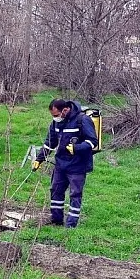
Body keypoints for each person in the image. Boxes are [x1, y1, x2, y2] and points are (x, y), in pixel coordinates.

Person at [32, 98, 98, 228]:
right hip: (61, 164)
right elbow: (49, 143)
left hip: (78, 165)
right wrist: (39, 159)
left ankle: (71, 225)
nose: (55, 118)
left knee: (75, 194)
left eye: (56, 115)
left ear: (65, 110)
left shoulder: (82, 120)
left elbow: (92, 141)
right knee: (56, 190)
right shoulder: (56, 123)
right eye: (53, 116)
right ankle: (56, 220)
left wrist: (77, 148)